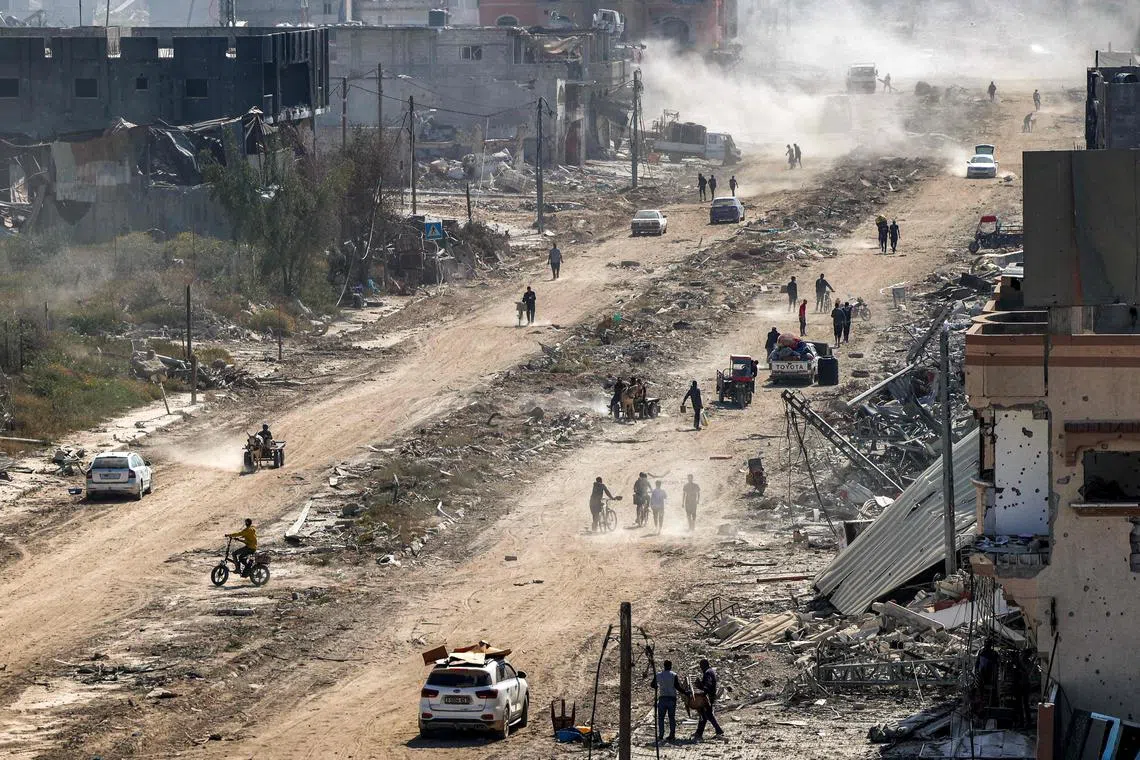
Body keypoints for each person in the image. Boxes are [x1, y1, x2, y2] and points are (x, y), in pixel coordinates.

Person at [652, 660, 691, 744]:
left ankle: (661, 735)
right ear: (670, 666)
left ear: (664, 666)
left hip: (662, 698)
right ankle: (672, 735)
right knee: (671, 717)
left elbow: (652, 684)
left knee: (661, 718)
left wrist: (656, 686)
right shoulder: (673, 675)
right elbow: (677, 687)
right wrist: (685, 693)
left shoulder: (658, 675)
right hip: (672, 699)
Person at [693, 658, 724, 741]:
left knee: (706, 715)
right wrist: (700, 685)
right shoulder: (710, 671)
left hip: (708, 697)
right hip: (710, 696)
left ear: (704, 665)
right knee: (705, 715)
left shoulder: (707, 673)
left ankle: (718, 730)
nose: (700, 668)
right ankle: (699, 733)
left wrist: (703, 692)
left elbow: (708, 685)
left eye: (701, 666)